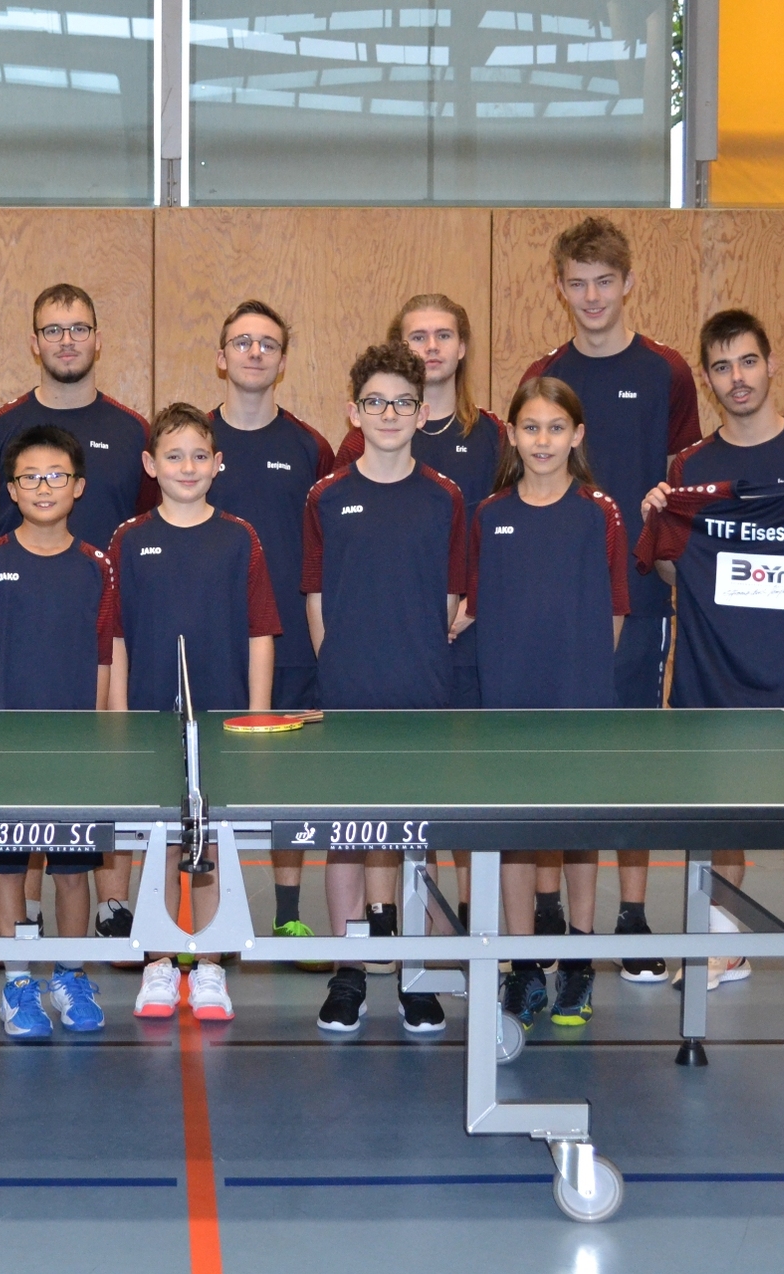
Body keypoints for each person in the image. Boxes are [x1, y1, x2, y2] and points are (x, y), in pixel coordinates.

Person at [638, 308, 784, 996]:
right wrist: (663, 519)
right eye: (720, 367)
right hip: (712, 673)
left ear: (770, 365)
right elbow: (675, 573)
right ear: (707, 380)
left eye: (746, 362)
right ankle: (720, 948)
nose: (735, 378)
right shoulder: (691, 467)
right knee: (718, 812)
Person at [520, 217, 703, 980]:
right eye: (576, 283)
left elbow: (685, 477)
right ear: (559, 288)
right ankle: (550, 908)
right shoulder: (546, 372)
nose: (590, 296)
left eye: (604, 282)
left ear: (627, 284)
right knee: (550, 758)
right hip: (557, 609)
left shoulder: (666, 372)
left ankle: (630, 915)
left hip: (640, 601)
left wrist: (671, 568)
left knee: (627, 757)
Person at [0, 283, 156, 943]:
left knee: (87, 805)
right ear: (34, 341)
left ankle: (109, 909)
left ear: (96, 339)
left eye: (77, 328)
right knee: (17, 815)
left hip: (99, 644)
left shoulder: (131, 431)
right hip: (19, 662)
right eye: (52, 329)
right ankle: (19, 928)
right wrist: (21, 581)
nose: (66, 340)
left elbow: (153, 525)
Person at [302, 343, 466, 1036]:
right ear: (353, 412)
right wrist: (337, 666)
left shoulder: (444, 498)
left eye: (402, 402)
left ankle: (413, 971)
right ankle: (348, 972)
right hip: (347, 692)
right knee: (345, 835)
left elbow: (455, 598)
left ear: (422, 412)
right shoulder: (326, 496)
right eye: (375, 402)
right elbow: (314, 596)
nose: (389, 413)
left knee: (411, 839)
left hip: (421, 695)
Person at [456, 376, 628, 1029]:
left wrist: (581, 679)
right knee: (516, 838)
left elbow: (613, 610)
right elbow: (478, 605)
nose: (542, 440)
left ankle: (579, 964)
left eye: (556, 428)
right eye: (530, 427)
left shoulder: (598, 513)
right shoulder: (489, 515)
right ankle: (524, 968)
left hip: (579, 703)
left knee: (577, 836)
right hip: (507, 703)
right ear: (512, 434)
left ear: (576, 436)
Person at [109, 403, 282, 1022]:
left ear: (218, 464)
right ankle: (159, 963)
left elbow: (262, 632)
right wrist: (117, 716)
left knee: (210, 847)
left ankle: (208, 965)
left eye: (199, 456)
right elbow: (119, 639)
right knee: (159, 842)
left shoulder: (240, 537)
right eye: (174, 456)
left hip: (222, 721)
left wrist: (257, 716)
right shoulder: (130, 539)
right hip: (151, 722)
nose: (188, 467)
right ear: (151, 464)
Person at [338, 295, 504, 934]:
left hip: (462, 647)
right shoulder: (348, 463)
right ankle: (366, 936)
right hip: (381, 658)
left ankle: (451, 934)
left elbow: (502, 527)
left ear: (462, 347)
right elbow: (332, 581)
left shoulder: (492, 436)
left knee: (451, 799)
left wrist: (470, 603)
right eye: (418, 336)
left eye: (444, 335)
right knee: (367, 804)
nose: (432, 347)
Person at [0, 425, 119, 1038]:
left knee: (73, 873)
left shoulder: (97, 566)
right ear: (12, 490)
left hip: (74, 753)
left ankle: (70, 975)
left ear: (77, 487)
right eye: (29, 477)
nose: (43, 487)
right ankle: (19, 982)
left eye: (56, 476)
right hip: (4, 751)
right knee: (7, 871)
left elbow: (104, 659)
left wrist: (99, 737)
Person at [203, 300, 335, 958]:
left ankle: (286, 913)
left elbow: (327, 544)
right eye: (241, 342)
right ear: (221, 357)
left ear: (282, 361)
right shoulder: (192, 443)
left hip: (289, 646)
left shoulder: (310, 446)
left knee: (289, 791)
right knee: (211, 792)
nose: (254, 352)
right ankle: (215, 918)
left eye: (267, 344)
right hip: (211, 648)